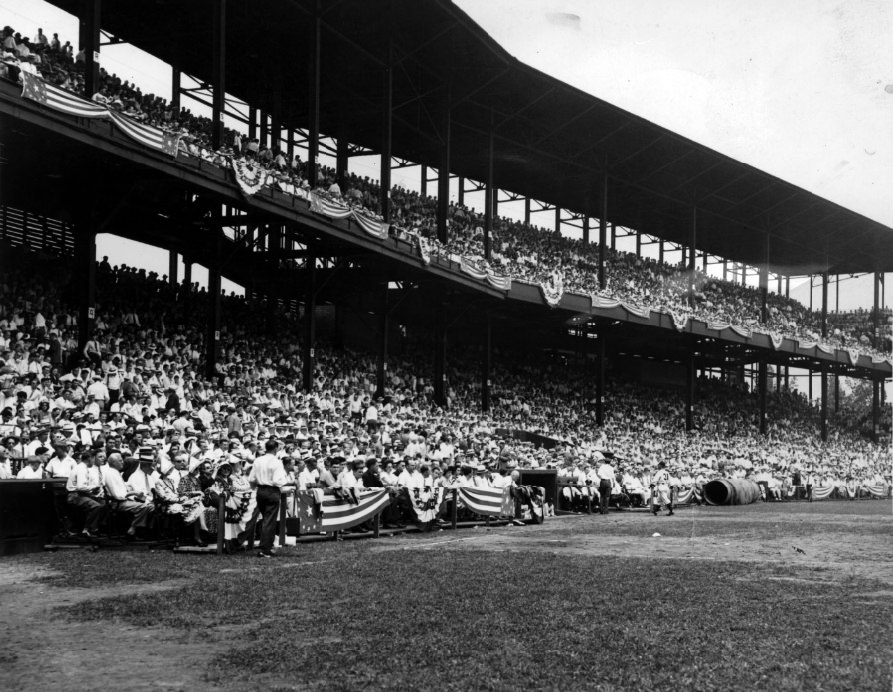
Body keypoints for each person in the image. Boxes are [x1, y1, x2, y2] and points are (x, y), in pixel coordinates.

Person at [248, 438, 288, 558]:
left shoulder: (258, 460)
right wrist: (284, 481)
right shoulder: (277, 462)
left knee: (266, 519)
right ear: (276, 448)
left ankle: (267, 546)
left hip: (260, 490)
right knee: (269, 520)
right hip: (272, 491)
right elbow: (277, 480)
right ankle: (265, 549)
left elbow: (251, 479)